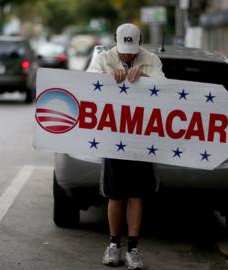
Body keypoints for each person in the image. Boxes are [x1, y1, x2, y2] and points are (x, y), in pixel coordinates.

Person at [86, 23, 165, 270]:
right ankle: (113, 245)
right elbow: (87, 83)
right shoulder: (103, 59)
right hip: (113, 137)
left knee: (136, 194)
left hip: (141, 138)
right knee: (115, 194)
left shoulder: (151, 60)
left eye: (132, 50)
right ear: (115, 42)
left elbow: (165, 86)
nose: (128, 56)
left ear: (139, 42)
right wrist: (108, 78)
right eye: (124, 51)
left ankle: (133, 248)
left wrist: (145, 78)